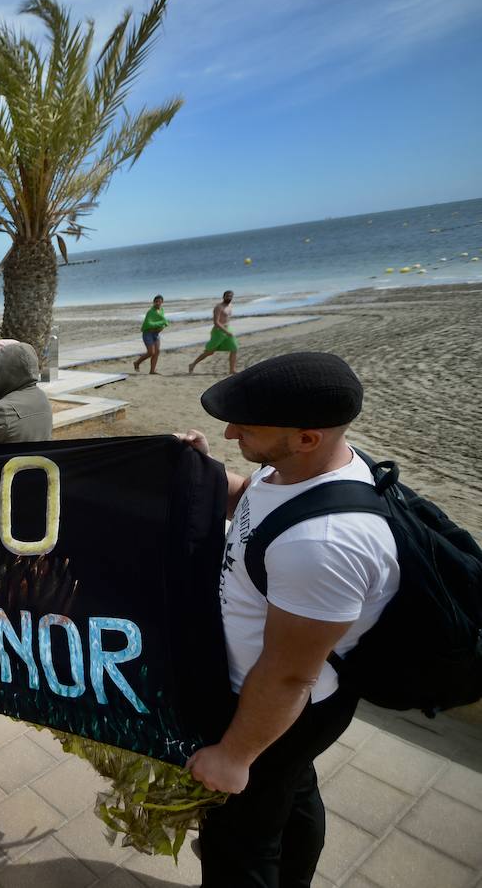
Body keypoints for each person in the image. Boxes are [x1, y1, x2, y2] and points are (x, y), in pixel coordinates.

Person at [177, 352, 397, 887]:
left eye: (246, 428)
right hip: (286, 708)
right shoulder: (297, 469)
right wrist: (203, 473)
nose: (230, 433)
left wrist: (235, 755)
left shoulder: (322, 545)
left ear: (306, 437)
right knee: (291, 793)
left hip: (278, 707)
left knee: (238, 846)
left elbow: (289, 674)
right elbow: (252, 506)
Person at [190, 290, 238, 375]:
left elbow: (227, 318)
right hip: (218, 331)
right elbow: (216, 322)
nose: (229, 298)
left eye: (230, 296)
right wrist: (226, 331)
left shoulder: (230, 305)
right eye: (227, 296)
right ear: (223, 297)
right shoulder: (218, 307)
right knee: (210, 352)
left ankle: (232, 370)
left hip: (228, 329)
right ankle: (193, 364)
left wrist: (228, 330)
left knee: (234, 348)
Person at [134, 294, 169, 374]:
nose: (158, 303)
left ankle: (152, 371)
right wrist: (162, 323)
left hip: (156, 334)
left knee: (157, 352)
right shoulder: (150, 312)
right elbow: (149, 324)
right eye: (156, 302)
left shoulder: (162, 310)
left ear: (162, 302)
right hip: (148, 333)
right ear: (153, 302)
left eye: (159, 302)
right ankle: (137, 362)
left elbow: (163, 321)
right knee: (151, 352)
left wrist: (162, 326)